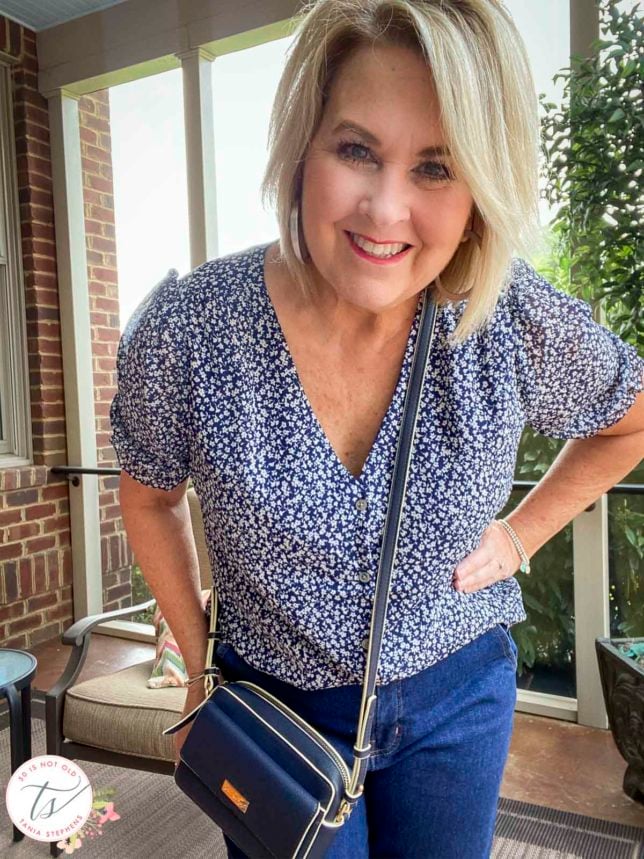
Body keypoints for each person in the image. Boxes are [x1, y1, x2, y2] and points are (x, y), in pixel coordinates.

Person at [110, 1, 644, 856]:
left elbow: (631, 420)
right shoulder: (193, 327)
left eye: (436, 168)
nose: (386, 209)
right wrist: (197, 658)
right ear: (302, 149)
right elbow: (148, 496)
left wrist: (518, 533)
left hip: (457, 703)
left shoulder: (507, 320)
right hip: (273, 712)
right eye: (357, 149)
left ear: (479, 192)